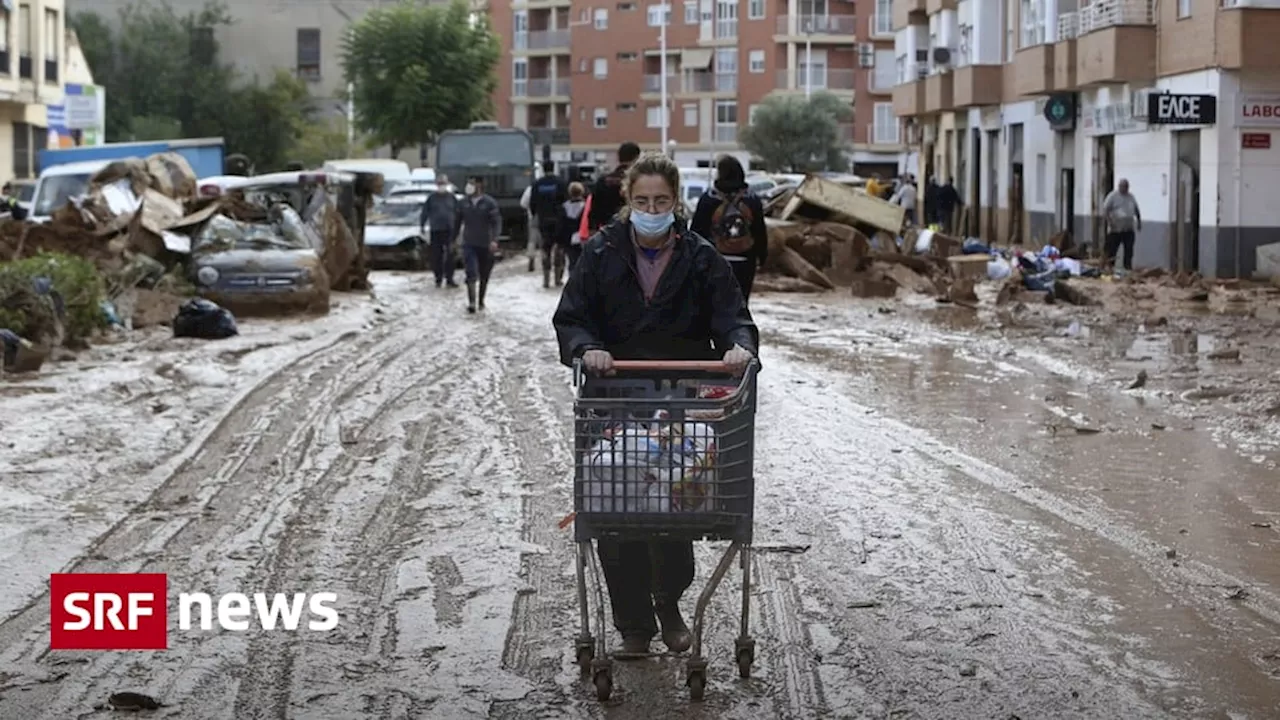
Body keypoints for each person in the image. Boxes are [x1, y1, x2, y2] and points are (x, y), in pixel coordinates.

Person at [553, 152, 758, 657]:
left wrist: (738, 346)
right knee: (617, 508)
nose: (651, 208)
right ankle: (634, 626)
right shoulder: (600, 254)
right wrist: (586, 348)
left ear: (675, 202)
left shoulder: (700, 257)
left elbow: (734, 316)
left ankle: (668, 602)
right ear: (627, 200)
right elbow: (571, 317)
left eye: (661, 200)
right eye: (642, 200)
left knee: (674, 508)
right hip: (617, 396)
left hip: (681, 400)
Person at [691, 154, 768, 305]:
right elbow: (759, 230)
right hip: (746, 261)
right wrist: (762, 256)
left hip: (714, 260)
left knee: (713, 303)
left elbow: (696, 232)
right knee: (740, 303)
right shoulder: (752, 199)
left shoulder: (709, 198)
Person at [458, 176, 502, 313]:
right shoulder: (463, 203)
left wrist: (494, 240)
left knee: (484, 274)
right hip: (469, 243)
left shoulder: (489, 203)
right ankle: (471, 302)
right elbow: (457, 221)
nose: (469, 186)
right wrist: (453, 240)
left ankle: (481, 300)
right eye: (468, 183)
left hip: (486, 244)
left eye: (472, 183)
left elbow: (496, 223)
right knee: (471, 272)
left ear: (479, 185)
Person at [587, 141, 641, 232]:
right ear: (636, 158)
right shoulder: (639, 180)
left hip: (609, 231)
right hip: (635, 231)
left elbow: (594, 211)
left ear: (618, 157)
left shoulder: (604, 181)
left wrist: (592, 231)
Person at [530, 162, 569, 288]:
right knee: (559, 248)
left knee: (545, 249)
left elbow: (532, 204)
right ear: (553, 168)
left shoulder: (537, 184)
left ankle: (546, 280)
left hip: (543, 221)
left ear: (543, 169)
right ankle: (558, 279)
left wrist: (536, 215)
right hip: (559, 221)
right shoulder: (561, 183)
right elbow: (566, 201)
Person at [421, 174, 461, 288]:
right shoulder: (431, 198)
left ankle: (450, 279)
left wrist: (459, 227)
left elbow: (458, 213)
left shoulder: (452, 198)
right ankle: (438, 278)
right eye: (439, 184)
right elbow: (425, 212)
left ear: (447, 184)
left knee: (450, 254)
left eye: (443, 184)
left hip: (450, 230)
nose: (441, 186)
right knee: (436, 256)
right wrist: (422, 225)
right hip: (436, 230)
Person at [1102, 178, 1141, 272]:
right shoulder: (1112, 196)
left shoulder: (1131, 196)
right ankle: (1109, 268)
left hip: (1128, 228)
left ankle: (1127, 268)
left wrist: (1139, 221)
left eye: (1126, 187)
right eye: (1122, 186)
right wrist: (1110, 222)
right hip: (1115, 229)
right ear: (1119, 186)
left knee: (1129, 250)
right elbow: (1105, 210)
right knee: (1112, 250)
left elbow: (1136, 209)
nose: (1124, 188)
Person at [558, 182, 588, 280]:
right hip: (583, 237)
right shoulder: (586, 206)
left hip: (568, 239)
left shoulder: (564, 207)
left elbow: (561, 225)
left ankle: (573, 280)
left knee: (572, 261)